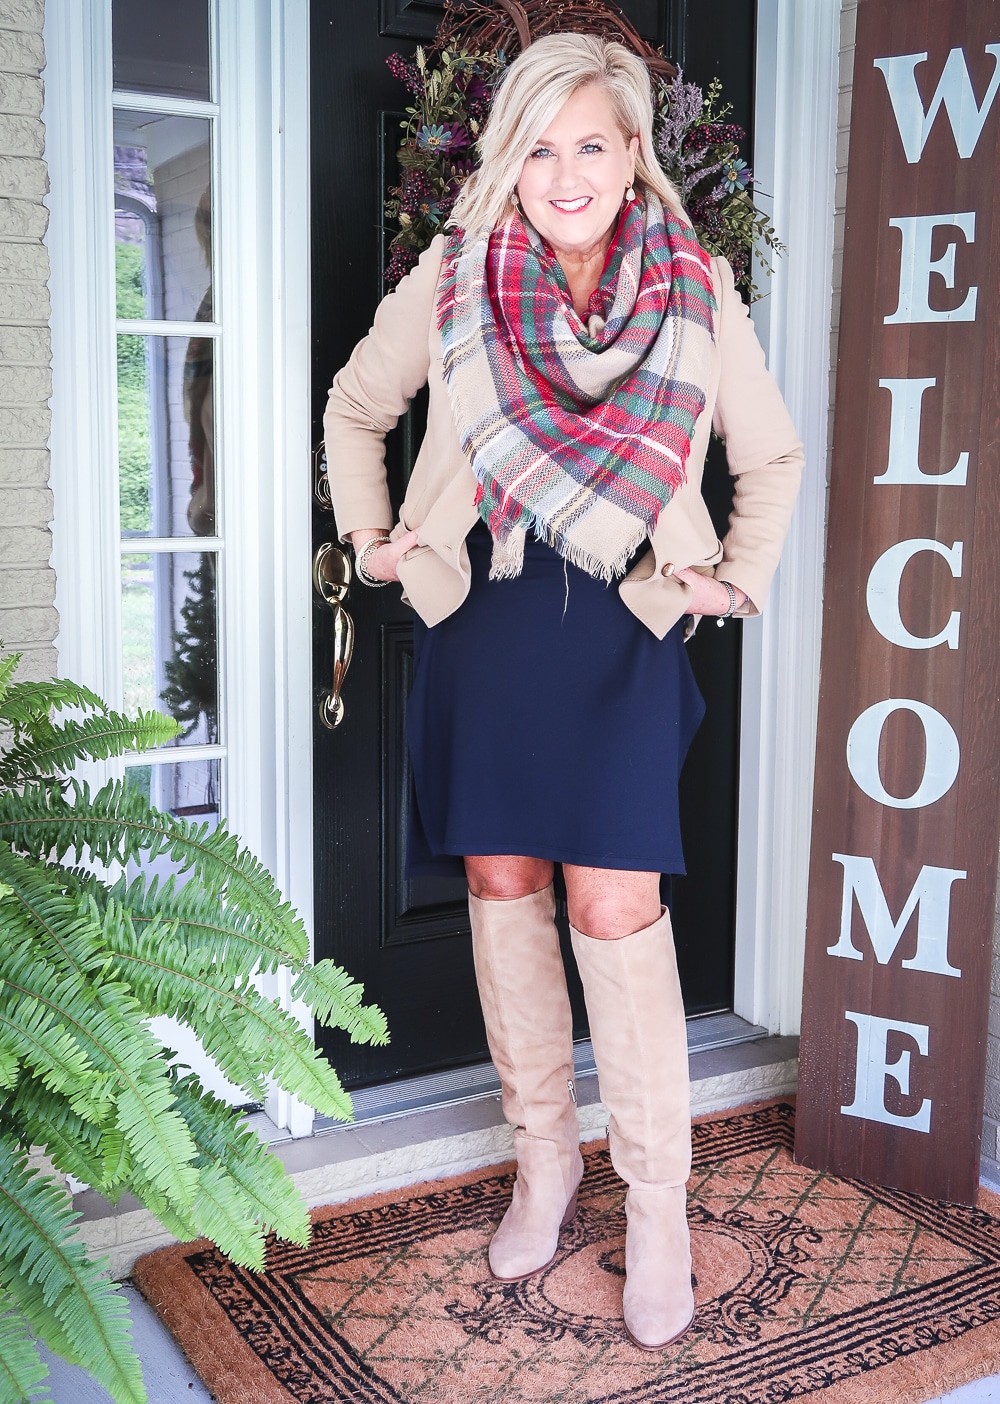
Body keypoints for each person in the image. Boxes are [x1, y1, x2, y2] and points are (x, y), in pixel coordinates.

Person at [324, 33, 803, 1351]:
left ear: (634, 152)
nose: (565, 170)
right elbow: (358, 409)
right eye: (538, 146)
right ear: (507, 160)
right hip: (486, 629)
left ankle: (656, 1206)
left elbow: (768, 458)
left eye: (591, 142)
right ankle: (547, 1162)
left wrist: (736, 576)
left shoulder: (693, 289)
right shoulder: (457, 278)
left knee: (615, 904)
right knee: (503, 885)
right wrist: (376, 542)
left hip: (624, 638)